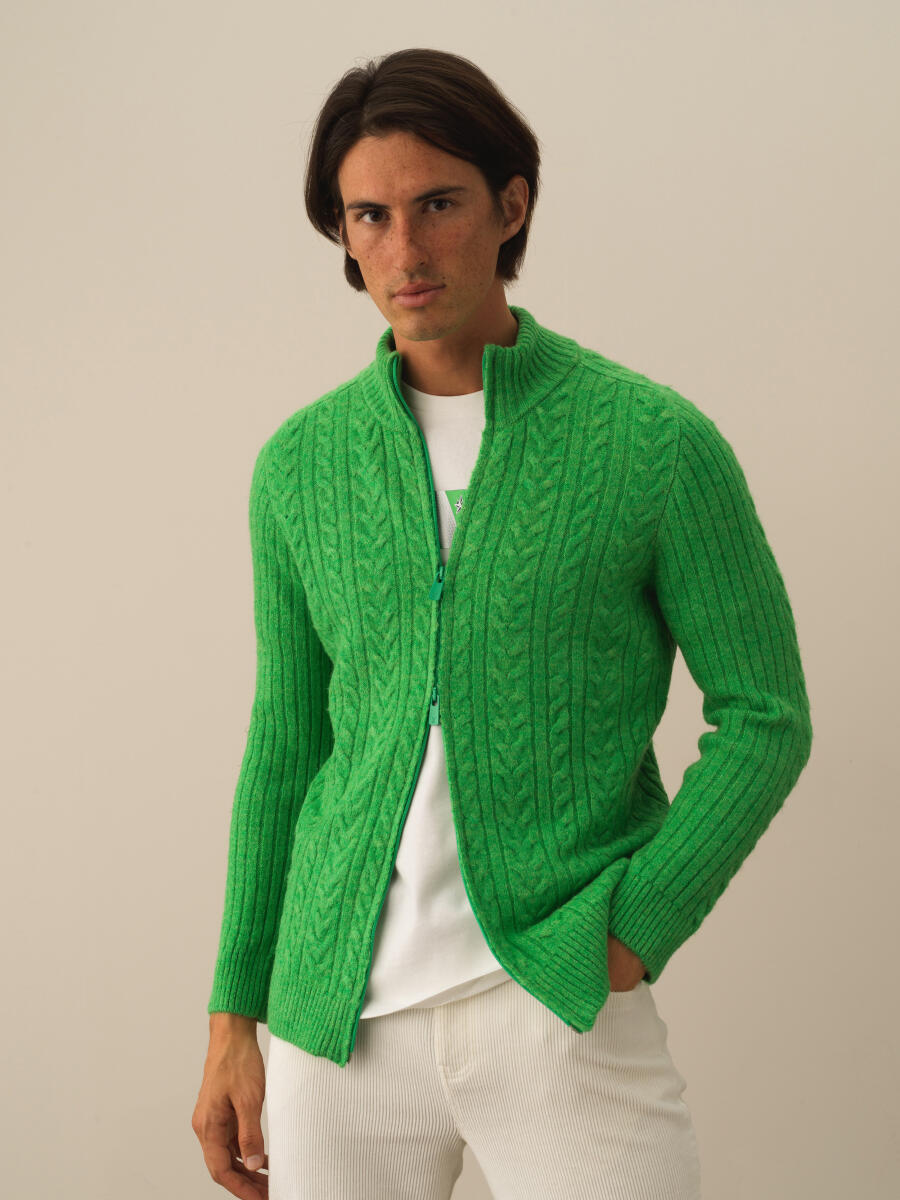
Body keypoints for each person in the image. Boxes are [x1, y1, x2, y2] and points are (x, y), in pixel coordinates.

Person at [191, 47, 813, 1200]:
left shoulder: (652, 443)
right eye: (369, 216)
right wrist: (236, 1016)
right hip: (336, 1031)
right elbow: (287, 745)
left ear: (510, 205)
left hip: (559, 1006)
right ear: (342, 234)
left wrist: (635, 926)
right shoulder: (300, 467)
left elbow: (767, 713)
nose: (405, 250)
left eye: (438, 204)